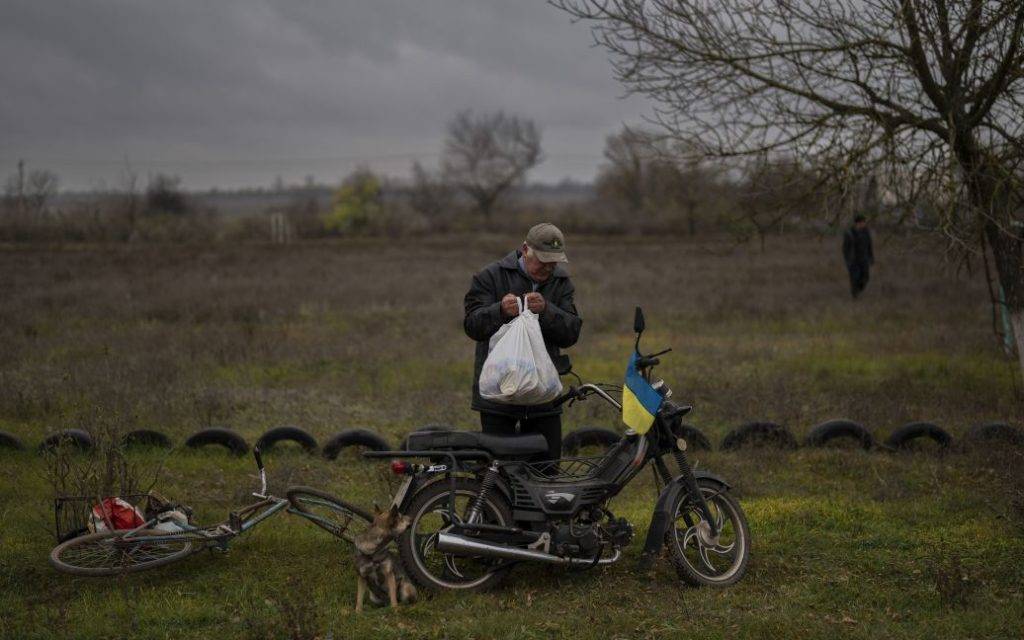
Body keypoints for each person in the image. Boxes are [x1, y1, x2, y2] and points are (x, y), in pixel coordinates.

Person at [463, 223, 583, 460]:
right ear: (525, 249)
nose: (548, 267)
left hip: (543, 396)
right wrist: (499, 311)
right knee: (500, 471)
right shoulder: (489, 276)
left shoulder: (561, 283)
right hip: (499, 396)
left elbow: (571, 333)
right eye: (542, 260)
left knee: (546, 469)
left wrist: (547, 310)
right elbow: (472, 326)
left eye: (554, 261)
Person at [843, 214, 874, 298]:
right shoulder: (849, 233)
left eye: (864, 222)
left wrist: (871, 257)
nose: (863, 224)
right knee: (855, 278)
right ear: (857, 223)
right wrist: (847, 260)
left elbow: (869, 246)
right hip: (853, 260)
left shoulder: (866, 232)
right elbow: (845, 248)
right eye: (862, 222)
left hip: (864, 259)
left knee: (865, 277)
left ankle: (858, 290)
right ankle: (855, 294)